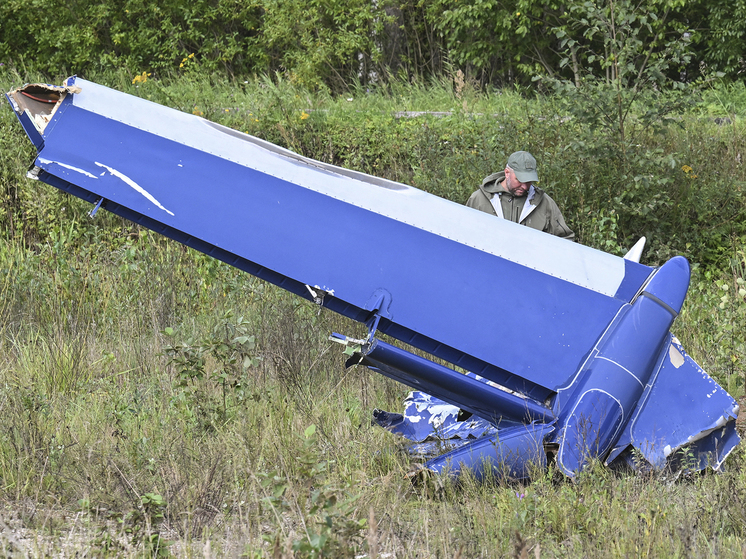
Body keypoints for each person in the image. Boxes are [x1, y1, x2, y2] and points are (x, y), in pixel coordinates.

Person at [466, 151, 574, 240]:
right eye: (519, 180)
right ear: (507, 173)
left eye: (529, 181)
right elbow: (464, 235)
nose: (525, 187)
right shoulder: (478, 200)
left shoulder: (544, 203)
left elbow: (566, 240)